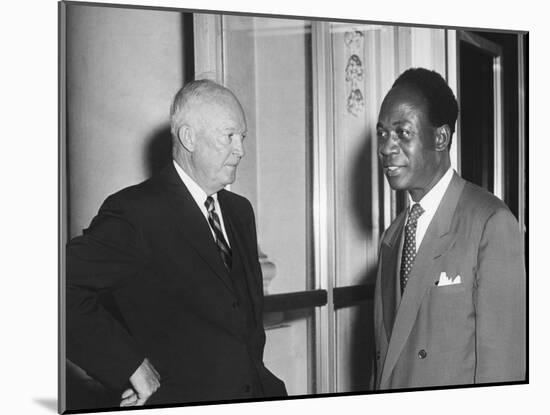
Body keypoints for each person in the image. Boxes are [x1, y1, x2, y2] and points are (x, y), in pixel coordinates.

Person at [66, 79, 287, 407]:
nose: (240, 149)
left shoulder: (239, 212)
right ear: (188, 137)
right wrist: (130, 365)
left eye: (242, 137)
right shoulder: (138, 212)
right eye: (229, 136)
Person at [372, 67, 525, 390]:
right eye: (382, 133)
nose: (386, 147)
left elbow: (503, 371)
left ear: (440, 137)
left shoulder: (490, 224)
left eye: (402, 133)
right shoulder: (393, 237)